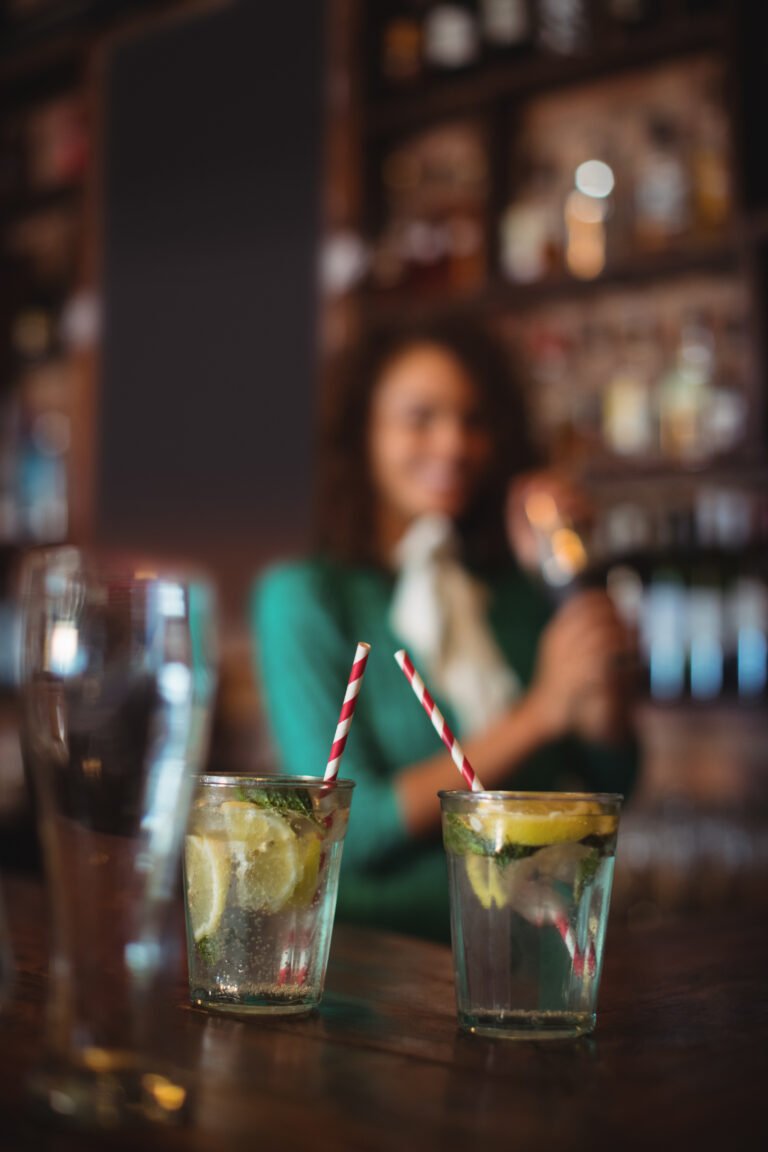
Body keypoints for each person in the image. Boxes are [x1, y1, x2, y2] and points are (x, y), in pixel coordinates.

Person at [251, 319, 639, 941]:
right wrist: (537, 714)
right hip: (383, 963)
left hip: (536, 946)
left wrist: (572, 579)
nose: (455, 443)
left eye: (474, 421)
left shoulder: (513, 588)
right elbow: (350, 823)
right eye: (420, 417)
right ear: (364, 433)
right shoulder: (305, 598)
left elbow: (612, 782)